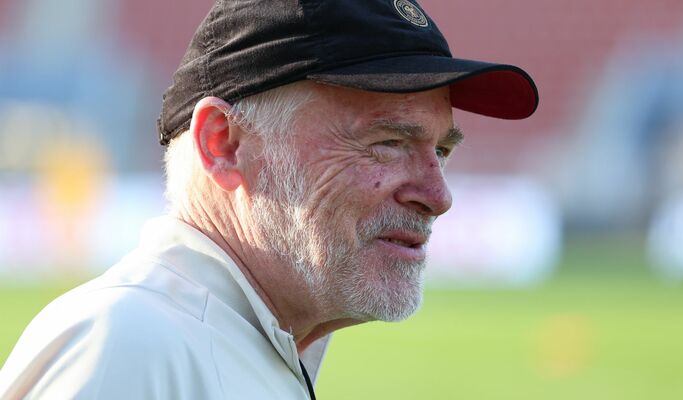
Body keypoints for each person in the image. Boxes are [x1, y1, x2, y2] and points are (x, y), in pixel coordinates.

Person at [0, 0, 538, 398]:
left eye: (440, 151)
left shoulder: (235, 342)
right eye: (387, 143)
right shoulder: (130, 344)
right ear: (225, 144)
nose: (438, 196)